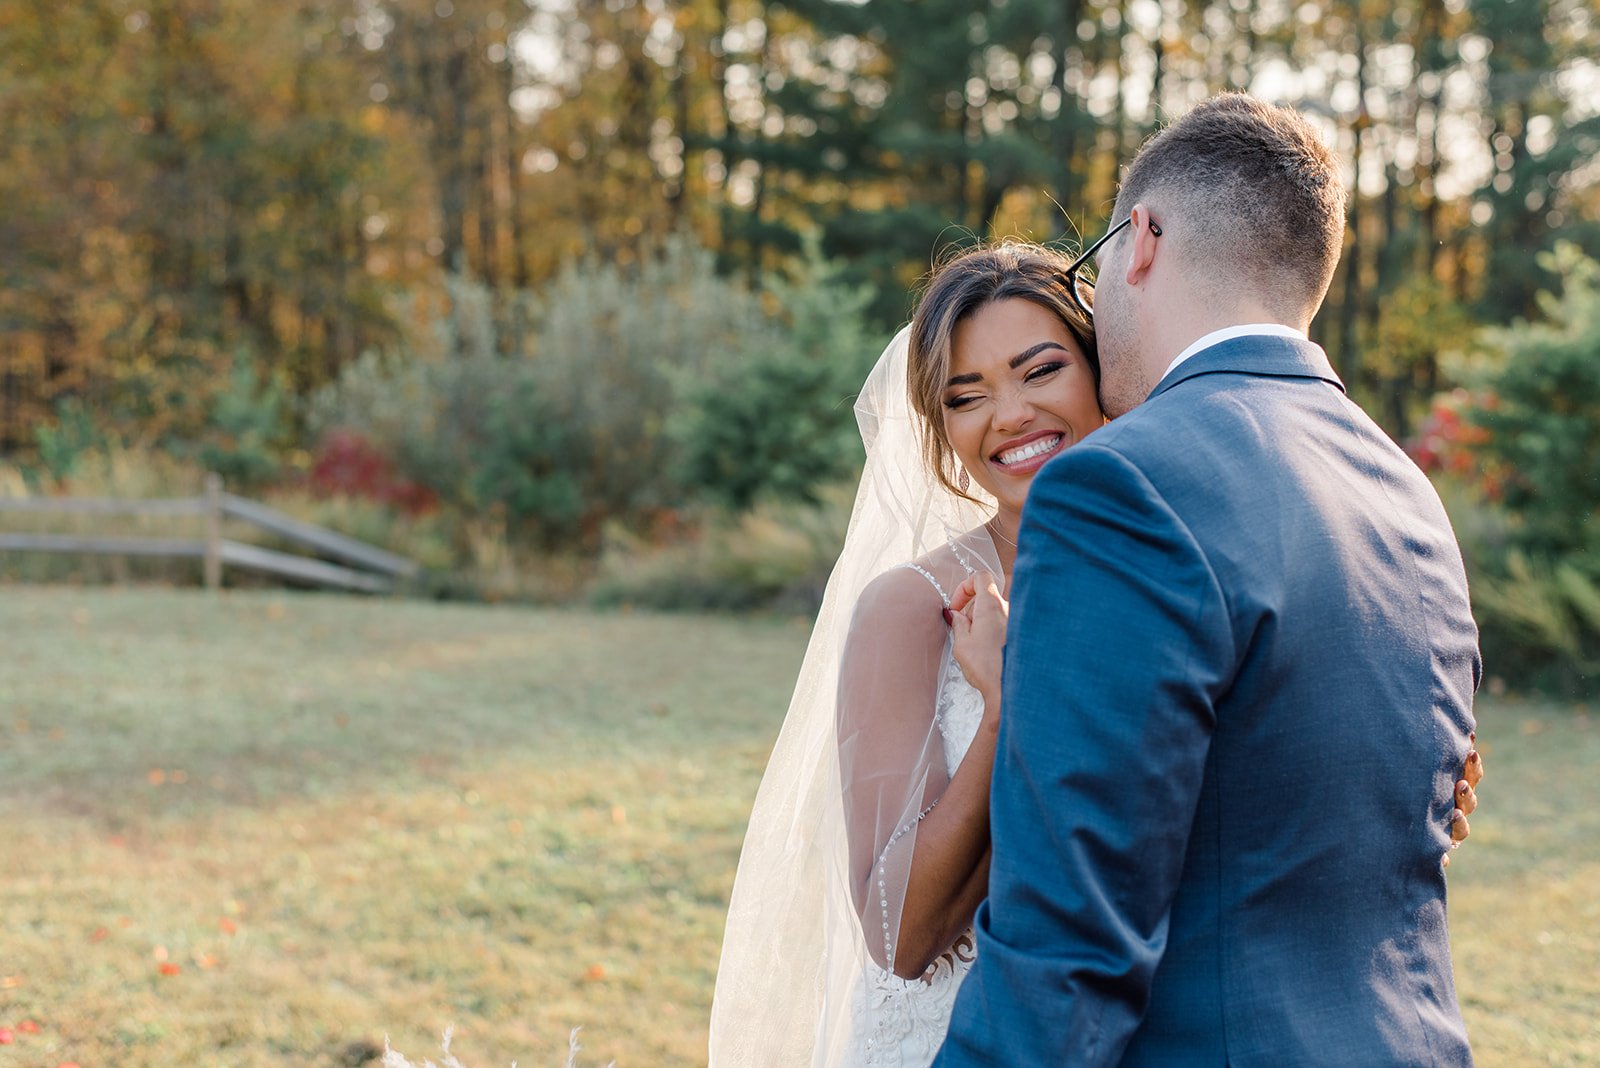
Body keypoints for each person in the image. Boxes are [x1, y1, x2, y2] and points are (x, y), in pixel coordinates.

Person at [709, 233, 1481, 1065]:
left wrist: (1409, 774)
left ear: (1102, 369)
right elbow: (897, 933)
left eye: (1041, 371)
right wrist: (1009, 706)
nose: (1010, 416)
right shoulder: (913, 608)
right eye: (966, 397)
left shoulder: (1175, 546)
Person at [933, 93, 1483, 1066]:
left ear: (1139, 238)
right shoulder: (1401, 486)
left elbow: (1068, 934)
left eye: (1092, 268)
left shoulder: (1118, 485)